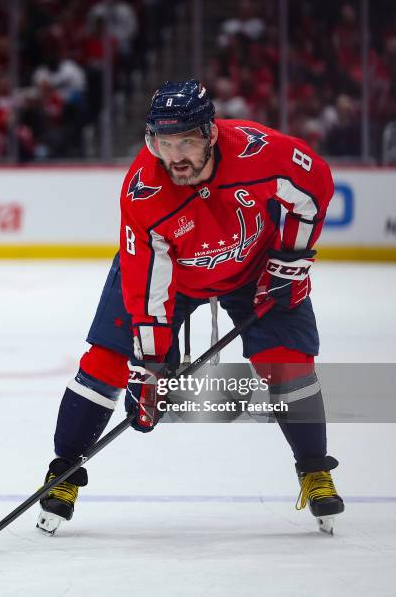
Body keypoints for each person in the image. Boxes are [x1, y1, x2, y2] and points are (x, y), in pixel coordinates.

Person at [36, 79, 344, 536]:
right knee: (106, 363)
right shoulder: (145, 192)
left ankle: (315, 469)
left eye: (185, 140)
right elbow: (149, 291)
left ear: (211, 134)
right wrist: (153, 368)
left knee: (289, 365)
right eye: (164, 141)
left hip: (256, 265)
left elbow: (313, 185)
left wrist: (290, 259)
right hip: (170, 281)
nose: (174, 154)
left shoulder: (260, 154)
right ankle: (62, 474)